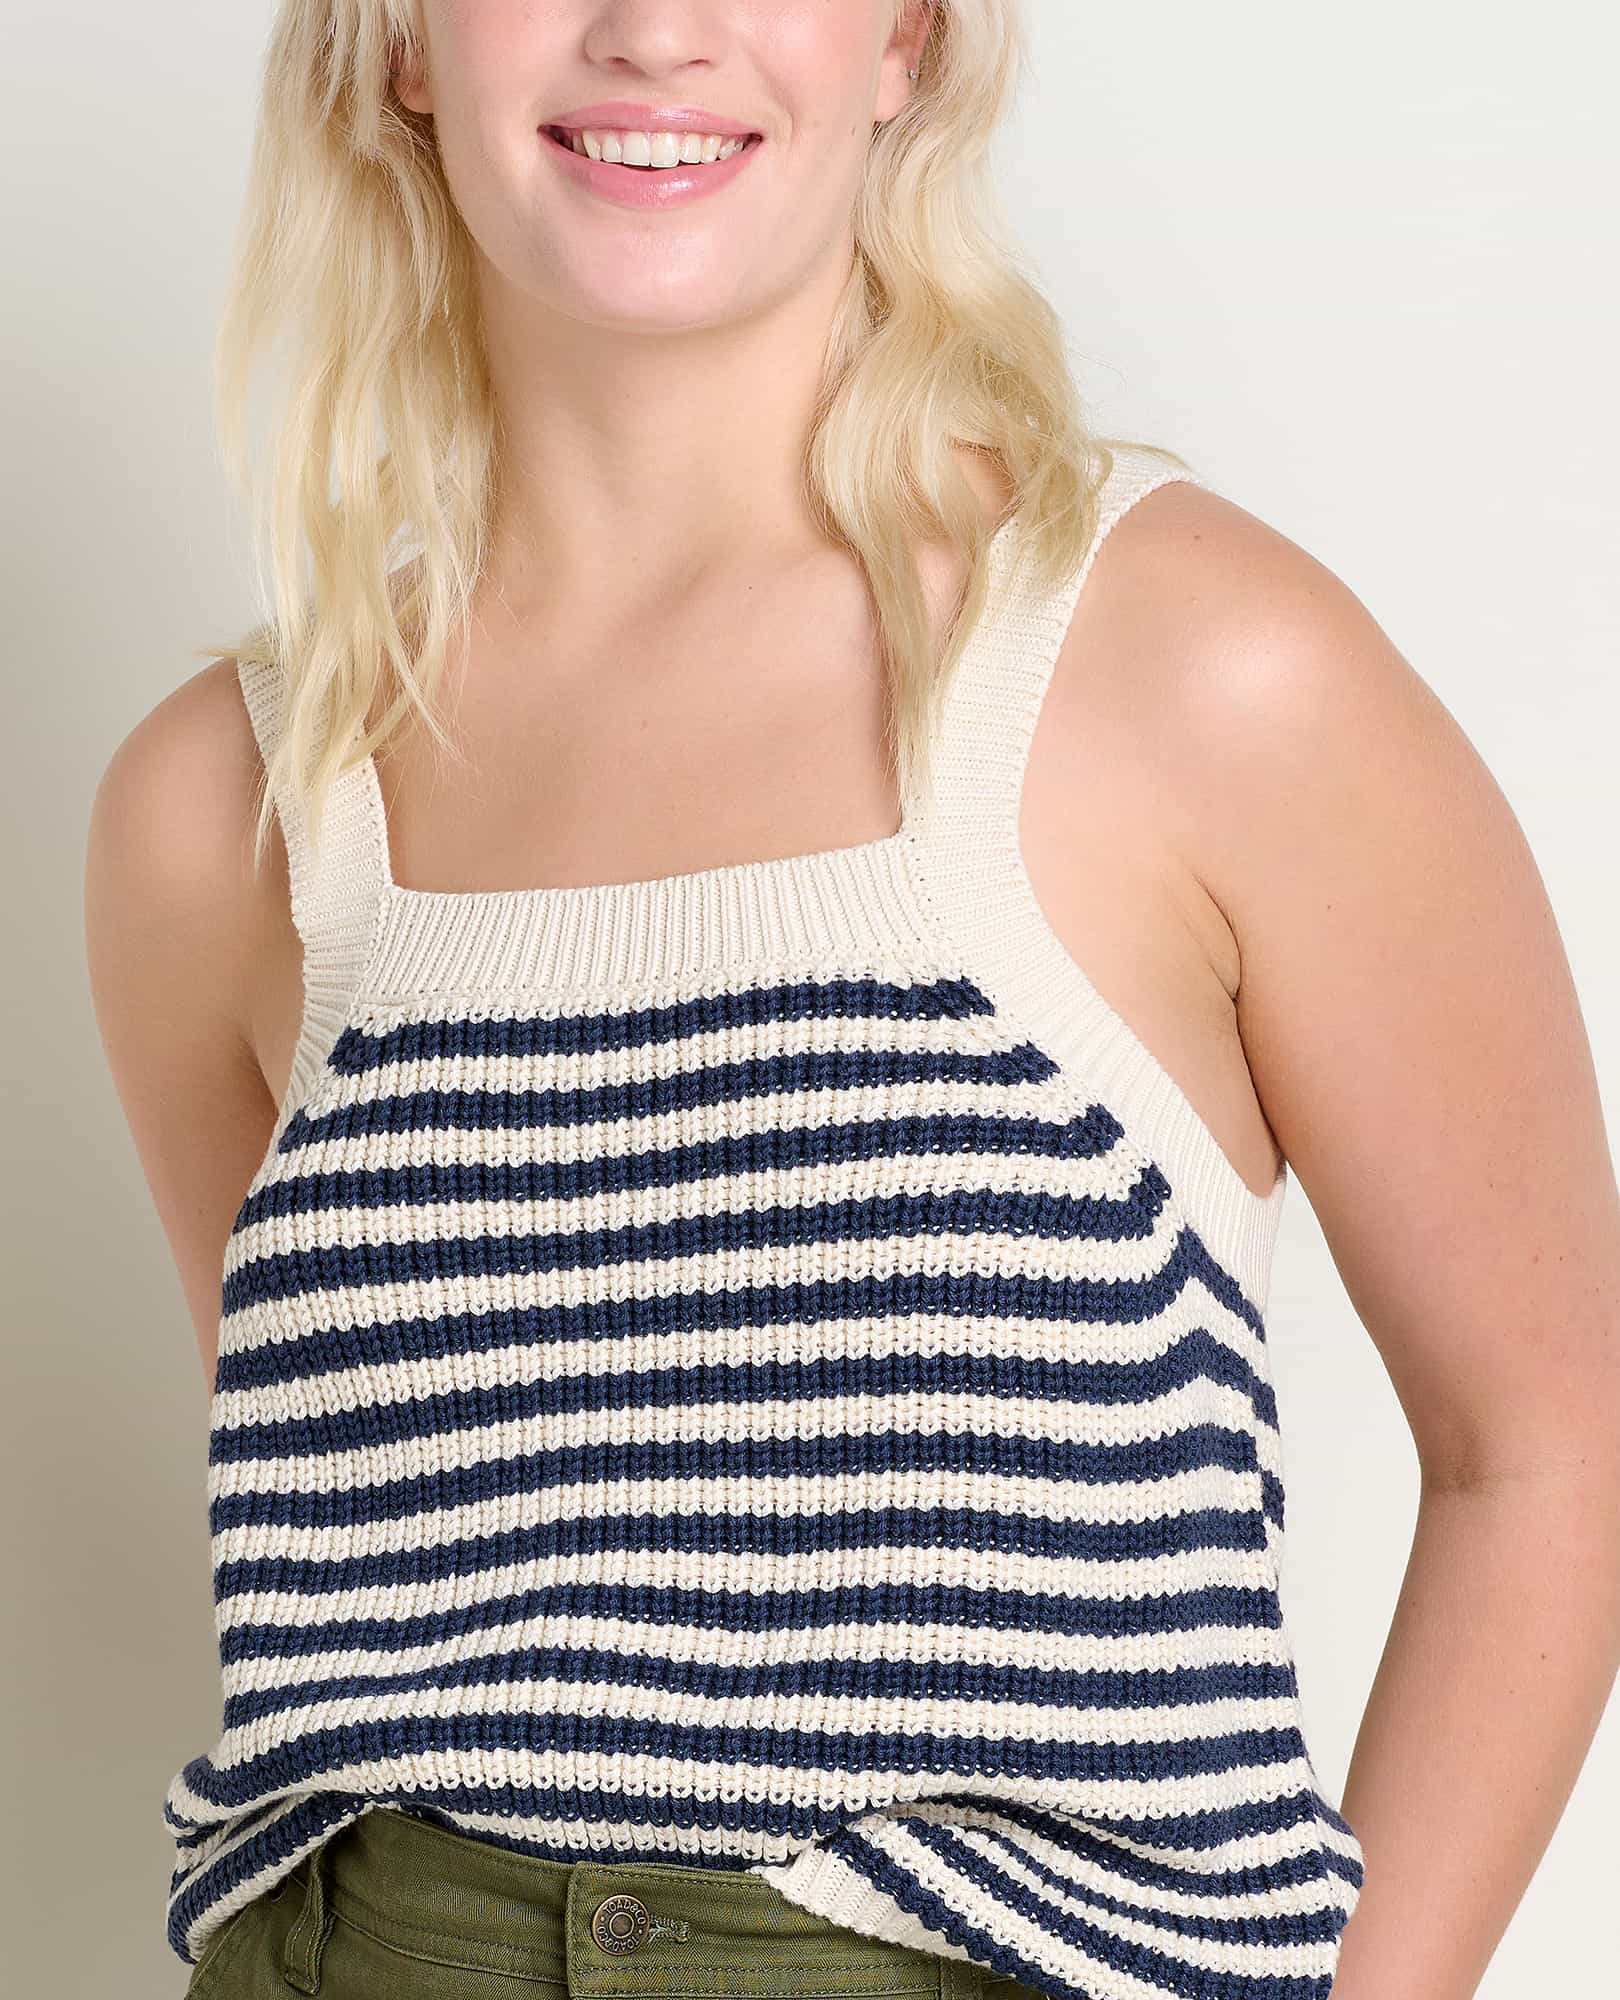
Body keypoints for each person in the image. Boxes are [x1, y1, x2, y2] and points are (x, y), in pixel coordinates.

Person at [84, 5, 1620, 1999]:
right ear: (402, 45)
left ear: (904, 38)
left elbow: (1549, 1446)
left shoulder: (1195, 673)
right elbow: (380, 1573)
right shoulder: (227, 813)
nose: (655, 32)